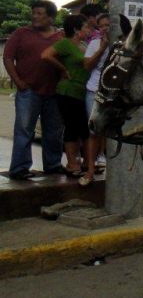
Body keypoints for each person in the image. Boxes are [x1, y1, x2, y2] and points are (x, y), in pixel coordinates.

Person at [3, 0, 65, 180]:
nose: (35, 17)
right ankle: (19, 168)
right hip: (28, 91)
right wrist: (18, 81)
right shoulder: (21, 33)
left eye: (40, 14)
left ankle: (53, 165)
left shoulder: (60, 37)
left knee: (54, 131)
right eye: (34, 13)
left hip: (53, 93)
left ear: (51, 18)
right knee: (24, 130)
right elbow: (8, 58)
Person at [42, 14, 91, 183]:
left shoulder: (84, 45)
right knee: (72, 127)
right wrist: (62, 69)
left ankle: (82, 161)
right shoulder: (65, 43)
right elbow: (46, 55)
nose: (88, 31)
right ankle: (72, 163)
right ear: (77, 30)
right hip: (67, 91)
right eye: (85, 28)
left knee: (82, 129)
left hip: (81, 91)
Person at [82, 13, 111, 185]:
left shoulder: (122, 44)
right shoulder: (94, 43)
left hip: (112, 93)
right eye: (102, 26)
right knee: (93, 130)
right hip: (94, 90)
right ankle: (90, 170)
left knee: (106, 130)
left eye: (108, 25)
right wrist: (101, 48)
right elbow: (87, 66)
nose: (105, 28)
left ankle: (102, 158)